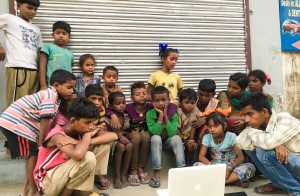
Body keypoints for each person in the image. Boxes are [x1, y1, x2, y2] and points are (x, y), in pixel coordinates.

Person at [0, 69, 76, 196]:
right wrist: (41, 144)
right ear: (56, 85)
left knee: (33, 156)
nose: (71, 91)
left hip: (18, 125)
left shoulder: (55, 97)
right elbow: (45, 120)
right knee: (33, 155)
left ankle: (25, 192)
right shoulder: (50, 95)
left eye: (73, 88)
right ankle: (33, 190)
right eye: (69, 87)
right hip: (15, 125)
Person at [106, 82, 177, 185]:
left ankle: (141, 168)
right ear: (132, 97)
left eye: (144, 93)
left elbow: (173, 106)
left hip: (144, 136)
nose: (142, 96)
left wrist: (166, 117)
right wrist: (112, 115)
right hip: (130, 134)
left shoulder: (151, 106)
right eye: (137, 94)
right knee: (136, 136)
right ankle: (133, 169)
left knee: (145, 135)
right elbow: (109, 108)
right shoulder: (128, 107)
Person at [33, 97, 108, 196]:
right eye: (87, 122)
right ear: (72, 121)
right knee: (88, 157)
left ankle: (80, 192)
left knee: (103, 145)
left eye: (92, 122)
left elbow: (113, 136)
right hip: (47, 184)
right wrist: (88, 135)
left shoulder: (81, 130)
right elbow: (78, 154)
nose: (91, 126)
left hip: (61, 178)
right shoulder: (57, 135)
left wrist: (77, 141)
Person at [236, 92, 300, 196]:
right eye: (245, 115)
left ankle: (296, 191)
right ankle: (279, 183)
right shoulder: (257, 126)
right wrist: (276, 145)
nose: (246, 120)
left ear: (264, 112)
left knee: (264, 152)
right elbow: (240, 142)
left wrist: (272, 145)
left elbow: (268, 143)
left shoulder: (284, 118)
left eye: (250, 114)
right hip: (292, 167)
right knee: (253, 148)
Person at [195, 111, 255, 188]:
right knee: (196, 166)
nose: (212, 129)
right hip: (214, 168)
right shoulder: (207, 137)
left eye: (216, 126)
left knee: (250, 167)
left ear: (224, 125)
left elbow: (240, 158)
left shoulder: (231, 136)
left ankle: (218, 182)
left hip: (231, 168)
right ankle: (233, 181)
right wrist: (213, 167)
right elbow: (201, 157)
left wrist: (228, 169)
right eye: (209, 126)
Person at [0, 0, 43, 107]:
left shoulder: (36, 29)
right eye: (29, 8)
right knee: (16, 107)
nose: (33, 12)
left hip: (34, 72)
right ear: (19, 5)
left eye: (35, 9)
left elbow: (38, 52)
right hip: (18, 68)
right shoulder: (10, 19)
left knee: (30, 107)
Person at [146, 86, 185, 188]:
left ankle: (182, 171)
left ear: (169, 100)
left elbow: (172, 133)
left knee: (177, 138)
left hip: (168, 142)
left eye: (164, 100)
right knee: (155, 138)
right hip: (156, 143)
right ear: (152, 102)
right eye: (157, 101)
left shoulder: (173, 114)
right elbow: (155, 132)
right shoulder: (149, 114)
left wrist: (166, 117)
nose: (161, 103)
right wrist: (160, 116)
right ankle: (156, 173)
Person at [85, 84, 118, 190]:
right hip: (82, 139)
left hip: (92, 137)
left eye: (100, 99)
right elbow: (84, 129)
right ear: (86, 99)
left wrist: (96, 129)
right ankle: (99, 175)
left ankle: (98, 174)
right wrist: (95, 129)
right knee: (109, 139)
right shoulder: (82, 109)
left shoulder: (101, 109)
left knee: (109, 140)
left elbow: (102, 126)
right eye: (93, 99)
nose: (97, 102)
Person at [104, 92, 133, 189]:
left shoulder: (126, 116)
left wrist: (123, 135)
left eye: (123, 103)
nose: (122, 106)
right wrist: (119, 136)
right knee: (120, 146)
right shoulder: (107, 118)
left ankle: (123, 174)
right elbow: (106, 133)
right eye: (118, 104)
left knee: (129, 145)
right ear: (111, 106)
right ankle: (116, 175)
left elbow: (127, 130)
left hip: (122, 138)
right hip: (111, 140)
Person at [39, 21, 73, 90]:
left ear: (69, 36)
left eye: (64, 33)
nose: (61, 36)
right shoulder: (47, 47)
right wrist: (43, 85)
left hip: (67, 87)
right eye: (58, 33)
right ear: (53, 35)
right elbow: (42, 66)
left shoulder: (70, 53)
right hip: (52, 86)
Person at [177, 88, 201, 166]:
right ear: (180, 102)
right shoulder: (178, 111)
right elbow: (177, 128)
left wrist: (191, 140)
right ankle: (181, 165)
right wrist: (180, 141)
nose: (190, 105)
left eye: (192, 103)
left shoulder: (195, 111)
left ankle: (188, 165)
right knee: (179, 146)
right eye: (186, 102)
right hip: (178, 136)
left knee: (191, 147)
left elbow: (195, 123)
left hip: (188, 136)